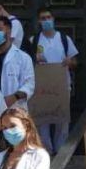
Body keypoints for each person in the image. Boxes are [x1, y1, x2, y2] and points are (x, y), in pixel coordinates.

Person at [26, 8, 79, 153]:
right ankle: (46, 151)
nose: (46, 20)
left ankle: (61, 150)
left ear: (53, 19)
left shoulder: (63, 39)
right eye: (43, 18)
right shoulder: (34, 40)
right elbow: (25, 63)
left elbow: (75, 61)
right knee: (43, 120)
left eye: (48, 17)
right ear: (39, 21)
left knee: (62, 120)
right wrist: (34, 59)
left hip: (62, 85)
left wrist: (70, 62)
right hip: (41, 86)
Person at [0, 14, 35, 111]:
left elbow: (29, 85)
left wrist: (14, 97)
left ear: (8, 31)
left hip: (15, 110)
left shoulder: (23, 58)